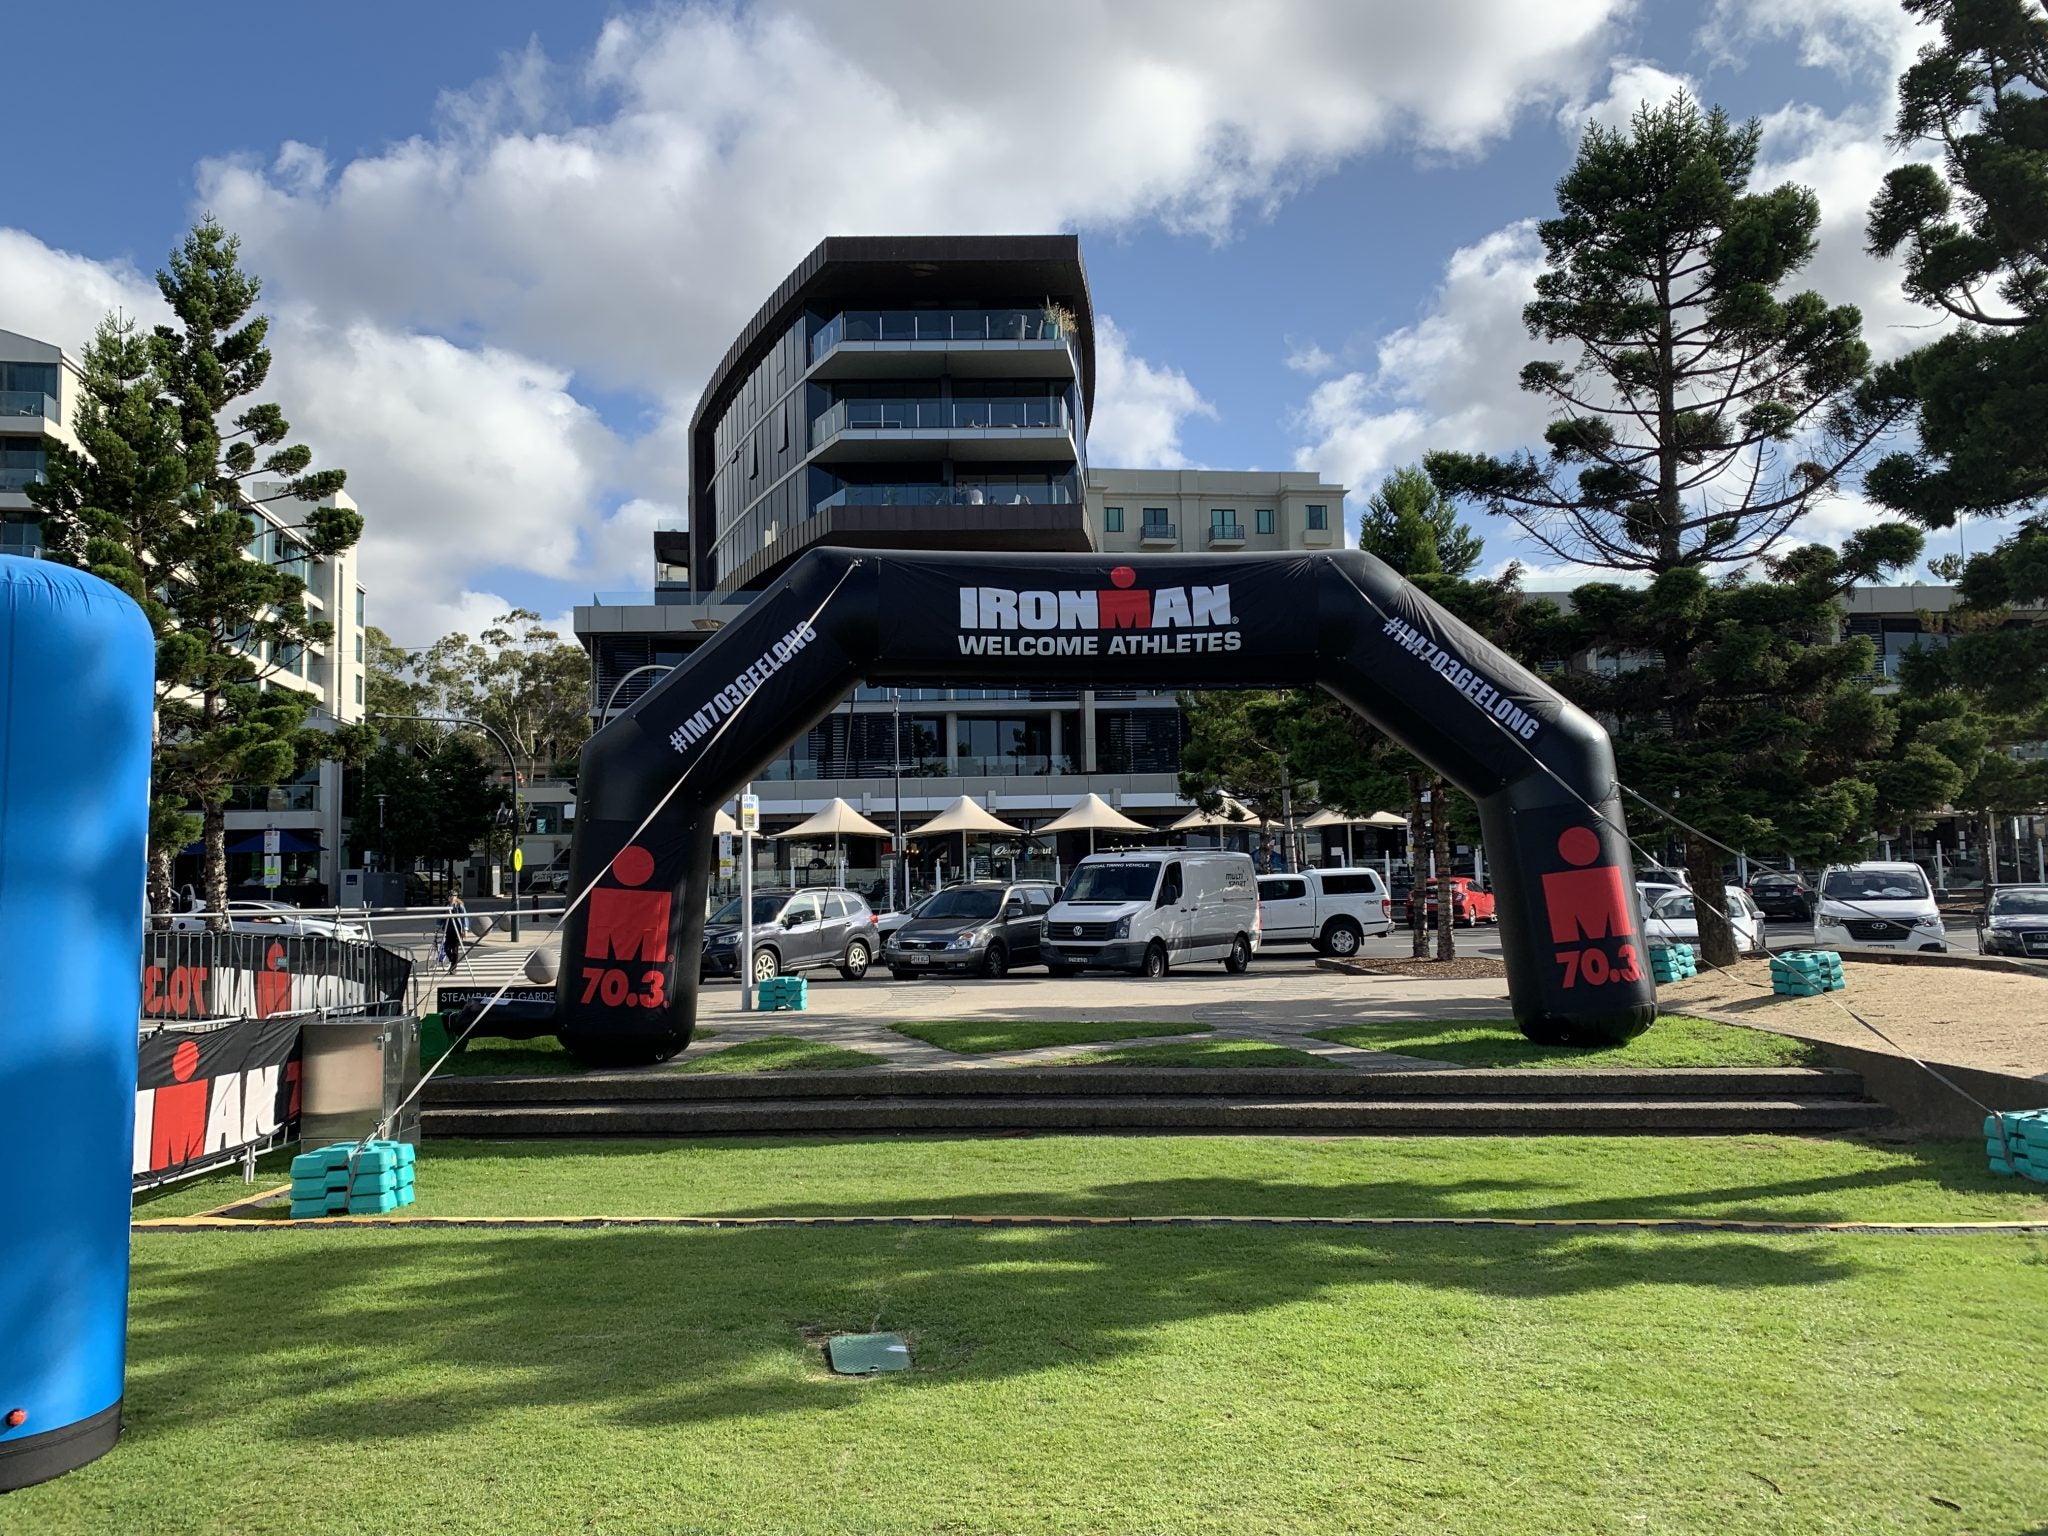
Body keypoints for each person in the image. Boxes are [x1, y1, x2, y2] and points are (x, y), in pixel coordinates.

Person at [443, 893, 469, 972]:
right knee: (446, 947)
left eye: (453, 896)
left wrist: (465, 930)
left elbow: (464, 917)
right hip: (448, 929)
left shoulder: (459, 906)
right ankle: (452, 960)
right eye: (450, 896)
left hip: (457, 929)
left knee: (455, 949)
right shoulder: (446, 906)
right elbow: (441, 917)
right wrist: (438, 927)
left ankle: (453, 967)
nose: (452, 898)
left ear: (456, 897)